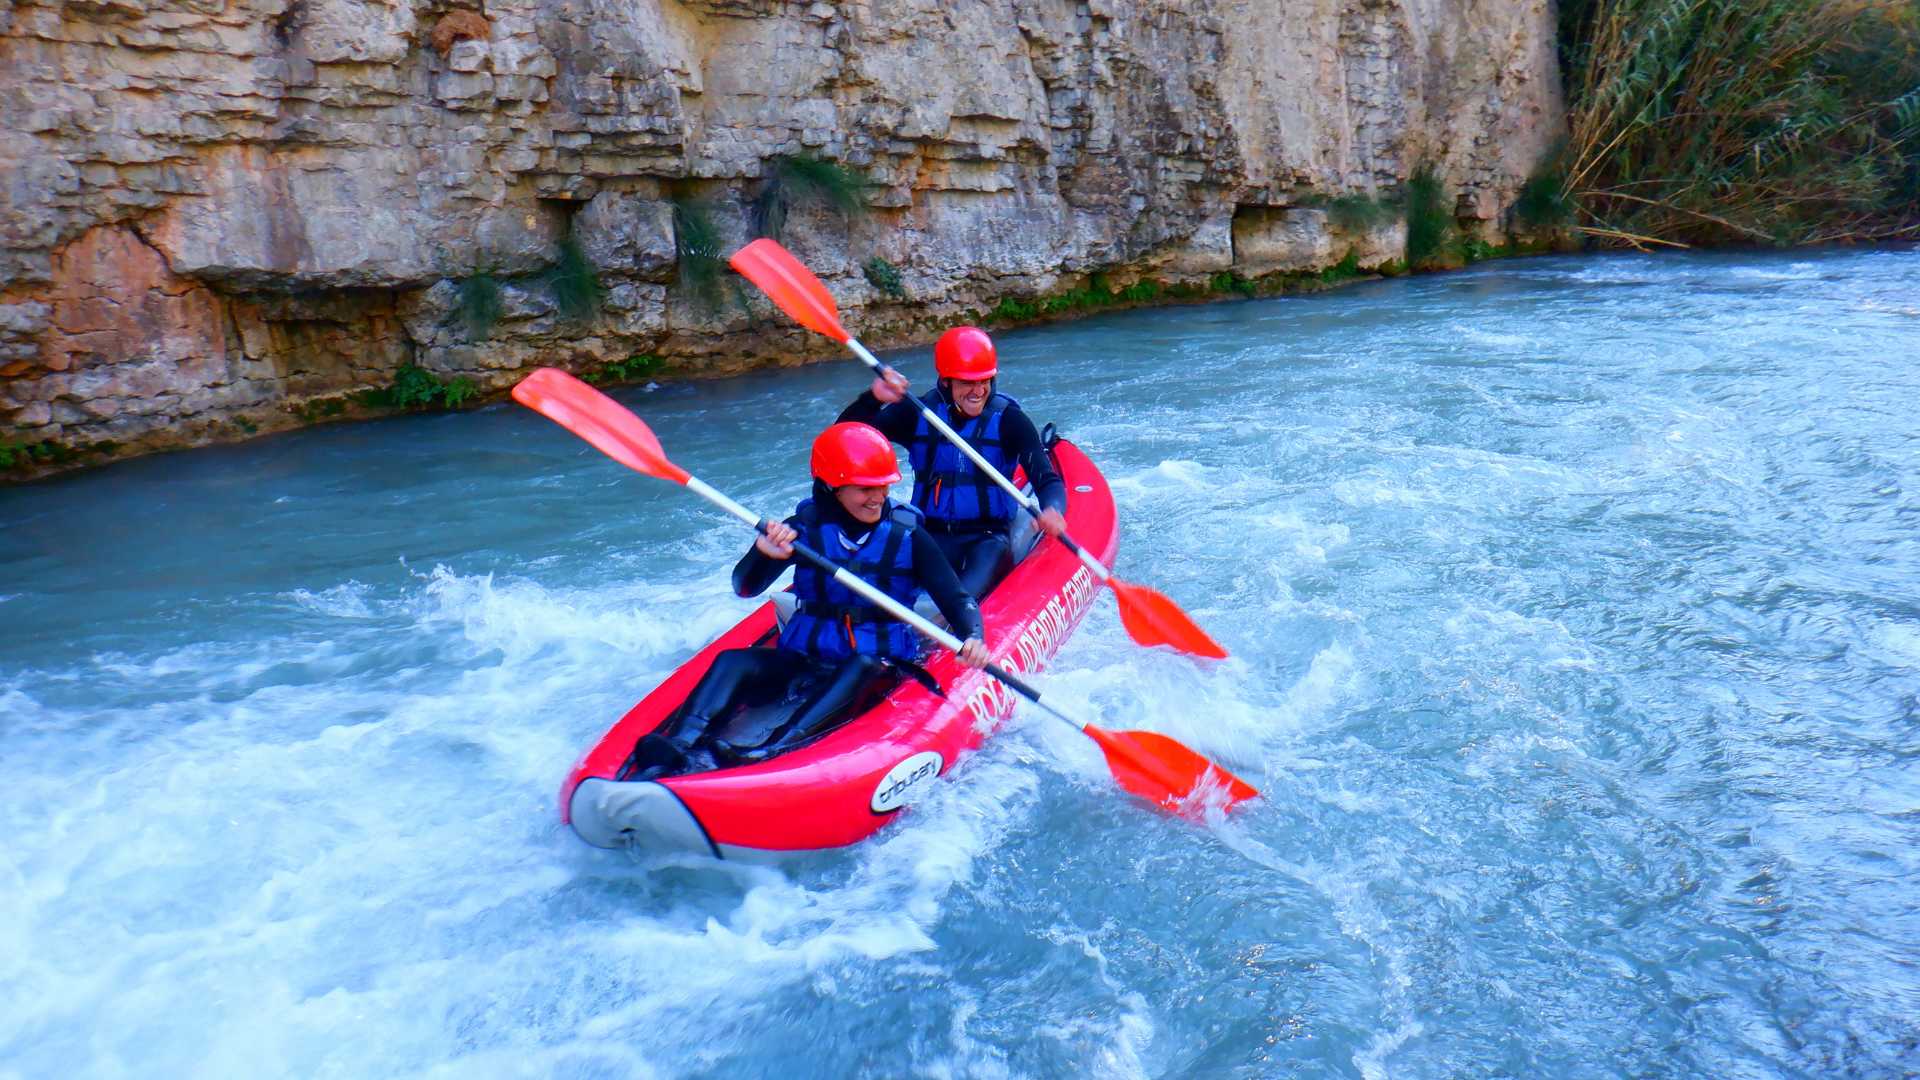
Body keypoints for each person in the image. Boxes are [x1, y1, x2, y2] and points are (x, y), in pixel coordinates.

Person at [622, 422, 990, 779]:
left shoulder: (909, 537)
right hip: (804, 659)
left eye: (883, 485)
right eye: (865, 488)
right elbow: (744, 586)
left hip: (877, 665)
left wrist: (972, 636)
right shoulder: (803, 531)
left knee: (862, 663)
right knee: (734, 660)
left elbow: (956, 599)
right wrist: (762, 553)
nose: (878, 496)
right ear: (832, 487)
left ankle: (774, 749)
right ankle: (678, 745)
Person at [837, 325, 1068, 598]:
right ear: (946, 382)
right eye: (967, 382)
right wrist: (872, 399)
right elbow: (844, 440)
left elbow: (1045, 478)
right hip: (927, 533)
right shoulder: (917, 414)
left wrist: (1053, 508)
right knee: (880, 591)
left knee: (963, 600)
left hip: (986, 538)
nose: (978, 391)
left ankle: (955, 632)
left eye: (984, 381)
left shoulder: (1010, 421)